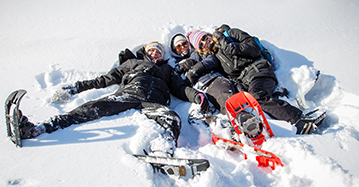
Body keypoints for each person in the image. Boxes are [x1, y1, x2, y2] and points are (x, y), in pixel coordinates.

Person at [18, 41, 209, 154]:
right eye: (151, 50)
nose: (154, 53)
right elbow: (105, 80)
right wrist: (77, 87)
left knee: (172, 118)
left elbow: (180, 88)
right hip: (128, 95)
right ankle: (38, 129)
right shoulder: (134, 63)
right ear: (146, 52)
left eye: (158, 51)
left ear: (162, 55)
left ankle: (164, 151)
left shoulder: (168, 70)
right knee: (90, 108)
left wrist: (197, 97)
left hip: (153, 103)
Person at [210, 24, 319, 134]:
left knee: (257, 96)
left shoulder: (231, 34)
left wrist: (226, 43)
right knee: (253, 101)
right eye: (200, 44)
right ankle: (281, 97)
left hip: (259, 70)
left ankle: (298, 119)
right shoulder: (217, 56)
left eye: (205, 38)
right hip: (249, 80)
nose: (205, 43)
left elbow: (253, 48)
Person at [169, 31, 235, 116]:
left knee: (225, 100)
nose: (182, 47)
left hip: (212, 80)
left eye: (184, 44)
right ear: (174, 51)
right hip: (198, 91)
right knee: (199, 116)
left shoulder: (197, 53)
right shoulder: (175, 66)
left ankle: (243, 120)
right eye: (178, 47)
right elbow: (177, 86)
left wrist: (195, 69)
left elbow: (212, 60)